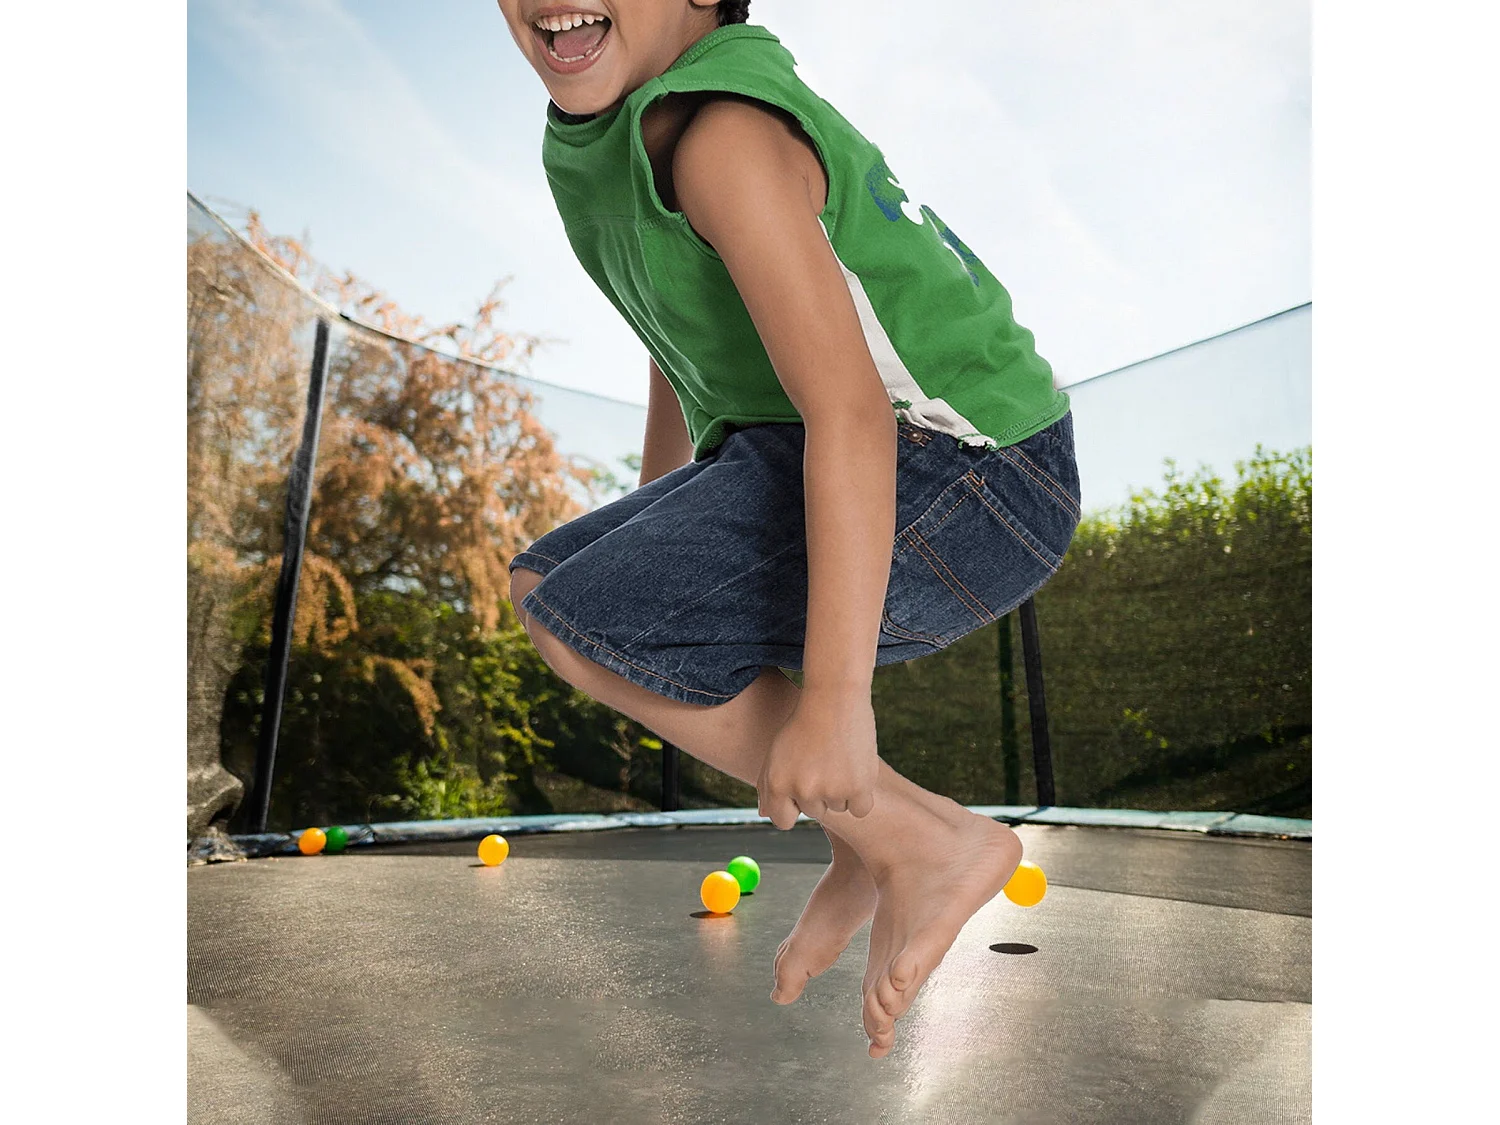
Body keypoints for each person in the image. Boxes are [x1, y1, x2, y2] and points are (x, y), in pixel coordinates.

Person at [496, 0, 1082, 1058]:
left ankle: (919, 839)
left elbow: (852, 413)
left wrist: (837, 704)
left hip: (971, 474)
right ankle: (871, 836)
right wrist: (660, 513)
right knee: (559, 594)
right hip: (874, 457)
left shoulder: (722, 135)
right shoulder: (619, 138)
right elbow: (677, 327)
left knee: (582, 617)